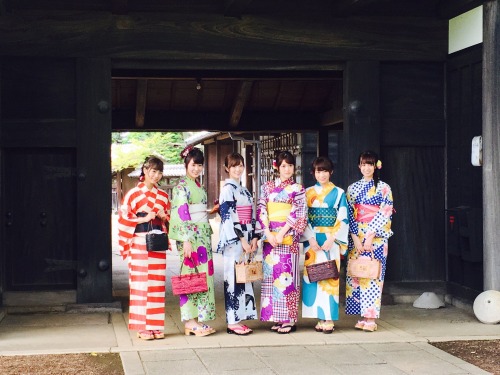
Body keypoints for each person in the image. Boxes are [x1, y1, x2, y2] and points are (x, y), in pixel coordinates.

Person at [117, 156, 170, 341]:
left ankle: (155, 325)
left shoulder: (163, 195)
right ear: (145, 171)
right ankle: (142, 326)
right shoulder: (133, 194)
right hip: (139, 241)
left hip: (156, 242)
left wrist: (164, 216)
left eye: (159, 172)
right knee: (140, 284)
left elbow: (169, 218)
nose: (156, 176)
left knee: (156, 284)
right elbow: (123, 218)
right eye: (153, 171)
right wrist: (142, 218)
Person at [257, 150, 307, 334]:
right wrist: (268, 233)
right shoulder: (267, 187)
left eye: (290, 165)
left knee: (288, 277)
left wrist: (282, 233)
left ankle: (288, 319)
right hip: (271, 238)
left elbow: (299, 213)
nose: (287, 169)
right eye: (283, 166)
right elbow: (262, 209)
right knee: (271, 277)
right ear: (276, 167)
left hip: (287, 236)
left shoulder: (298, 189)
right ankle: (276, 317)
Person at [169, 145, 216, 337]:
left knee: (204, 276)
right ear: (186, 164)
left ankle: (200, 318)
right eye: (193, 165)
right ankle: (189, 320)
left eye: (199, 165)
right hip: (190, 238)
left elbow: (197, 211)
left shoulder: (199, 187)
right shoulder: (181, 187)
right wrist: (186, 240)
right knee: (189, 276)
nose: (196, 169)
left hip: (202, 236)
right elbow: (182, 213)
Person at [345, 150, 394, 332]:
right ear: (359, 166)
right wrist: (356, 238)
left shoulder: (384, 188)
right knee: (358, 274)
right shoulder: (352, 188)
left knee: (373, 275)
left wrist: (371, 234)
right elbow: (349, 214)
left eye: (370, 164)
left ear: (376, 166)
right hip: (357, 236)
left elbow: (386, 211)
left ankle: (371, 316)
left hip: (377, 238)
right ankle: (361, 315)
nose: (366, 168)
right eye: (363, 164)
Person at [301, 156, 349, 333]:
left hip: (331, 240)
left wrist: (332, 238)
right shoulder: (307, 193)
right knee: (314, 277)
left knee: (329, 277)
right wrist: (311, 238)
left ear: (331, 172)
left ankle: (328, 318)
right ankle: (319, 316)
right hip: (312, 240)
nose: (322, 174)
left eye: (325, 171)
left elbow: (343, 217)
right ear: (313, 173)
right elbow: (303, 217)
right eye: (318, 171)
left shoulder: (339, 193)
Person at [217, 153, 259, 335]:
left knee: (243, 279)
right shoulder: (227, 189)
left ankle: (239, 319)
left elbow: (252, 214)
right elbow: (227, 217)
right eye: (233, 166)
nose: (238, 169)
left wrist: (254, 238)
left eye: (240, 165)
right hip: (235, 240)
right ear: (227, 168)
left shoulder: (245, 190)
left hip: (247, 238)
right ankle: (232, 322)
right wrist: (242, 239)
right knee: (233, 280)